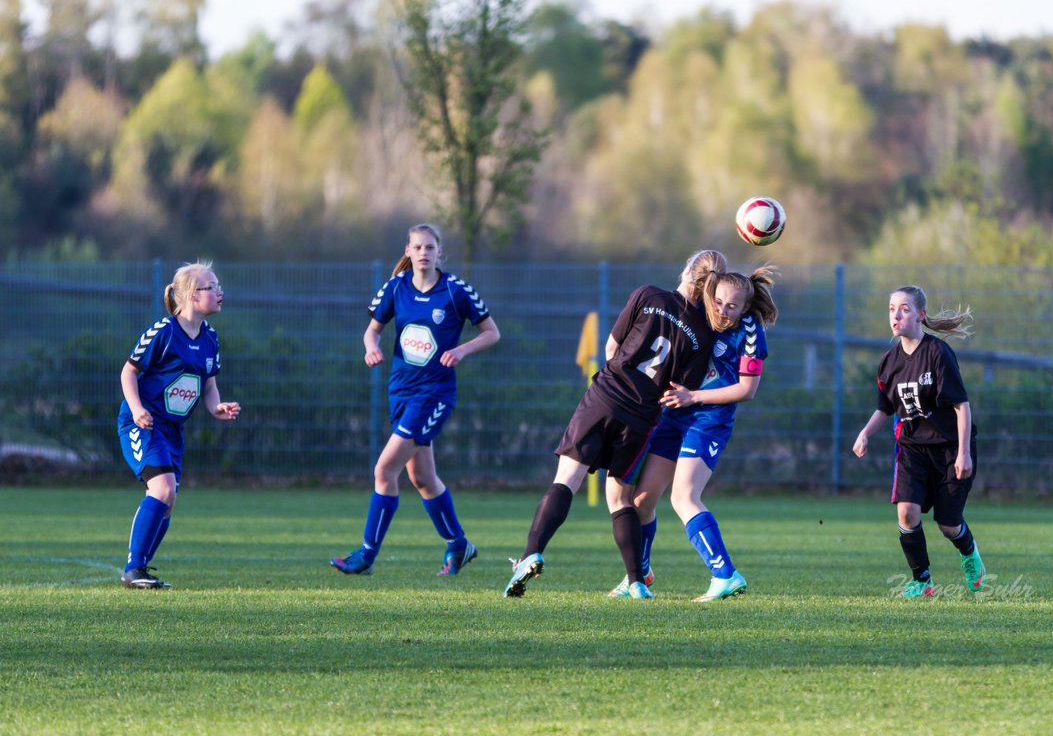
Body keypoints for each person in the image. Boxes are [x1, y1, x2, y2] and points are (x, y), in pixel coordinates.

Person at [503, 249, 730, 599]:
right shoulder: (702, 334)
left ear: (686, 269)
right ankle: (637, 582)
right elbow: (680, 389)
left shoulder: (648, 294)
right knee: (620, 498)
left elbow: (612, 347)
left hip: (605, 397)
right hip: (642, 417)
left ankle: (530, 553)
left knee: (567, 479)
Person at [330, 223, 500, 577]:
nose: (424, 253)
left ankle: (365, 555)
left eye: (430, 247)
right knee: (422, 477)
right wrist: (371, 349)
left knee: (384, 469)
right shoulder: (396, 287)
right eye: (417, 247)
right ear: (408, 251)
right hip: (401, 390)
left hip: (434, 393)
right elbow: (372, 329)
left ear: (440, 252)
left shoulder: (455, 291)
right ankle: (458, 545)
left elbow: (491, 332)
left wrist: (462, 350)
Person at [609, 267, 779, 602]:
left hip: (708, 420)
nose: (723, 310)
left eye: (732, 306)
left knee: (683, 497)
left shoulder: (750, 331)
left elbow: (747, 390)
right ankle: (639, 575)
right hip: (673, 416)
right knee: (642, 501)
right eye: (718, 302)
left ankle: (725, 574)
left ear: (745, 308)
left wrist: (694, 396)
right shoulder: (698, 313)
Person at [851, 284, 986, 597]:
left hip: (951, 449)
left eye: (905, 309)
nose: (896, 315)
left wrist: (963, 453)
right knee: (907, 512)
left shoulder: (938, 353)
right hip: (912, 449)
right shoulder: (888, 362)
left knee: (948, 525)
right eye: (891, 309)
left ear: (921, 315)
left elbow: (961, 406)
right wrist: (865, 433)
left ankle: (969, 552)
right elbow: (885, 407)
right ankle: (922, 581)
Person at [118, 261, 241, 589]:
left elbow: (209, 385)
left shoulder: (210, 338)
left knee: (168, 500)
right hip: (142, 423)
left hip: (172, 430)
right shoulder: (163, 332)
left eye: (218, 286)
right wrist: (137, 408)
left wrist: (217, 407)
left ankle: (140, 569)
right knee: (163, 490)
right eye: (211, 286)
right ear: (189, 295)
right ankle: (133, 570)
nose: (219, 292)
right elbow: (128, 372)